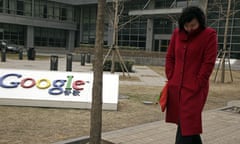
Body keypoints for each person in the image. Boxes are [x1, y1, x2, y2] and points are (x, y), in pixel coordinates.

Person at [165, 6, 218, 144]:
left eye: (193, 25)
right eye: (186, 25)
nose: (189, 28)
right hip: (176, 88)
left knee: (186, 124)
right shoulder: (177, 34)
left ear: (200, 22)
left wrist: (199, 82)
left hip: (195, 90)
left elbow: (208, 63)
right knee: (186, 126)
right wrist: (170, 75)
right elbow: (170, 57)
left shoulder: (209, 35)